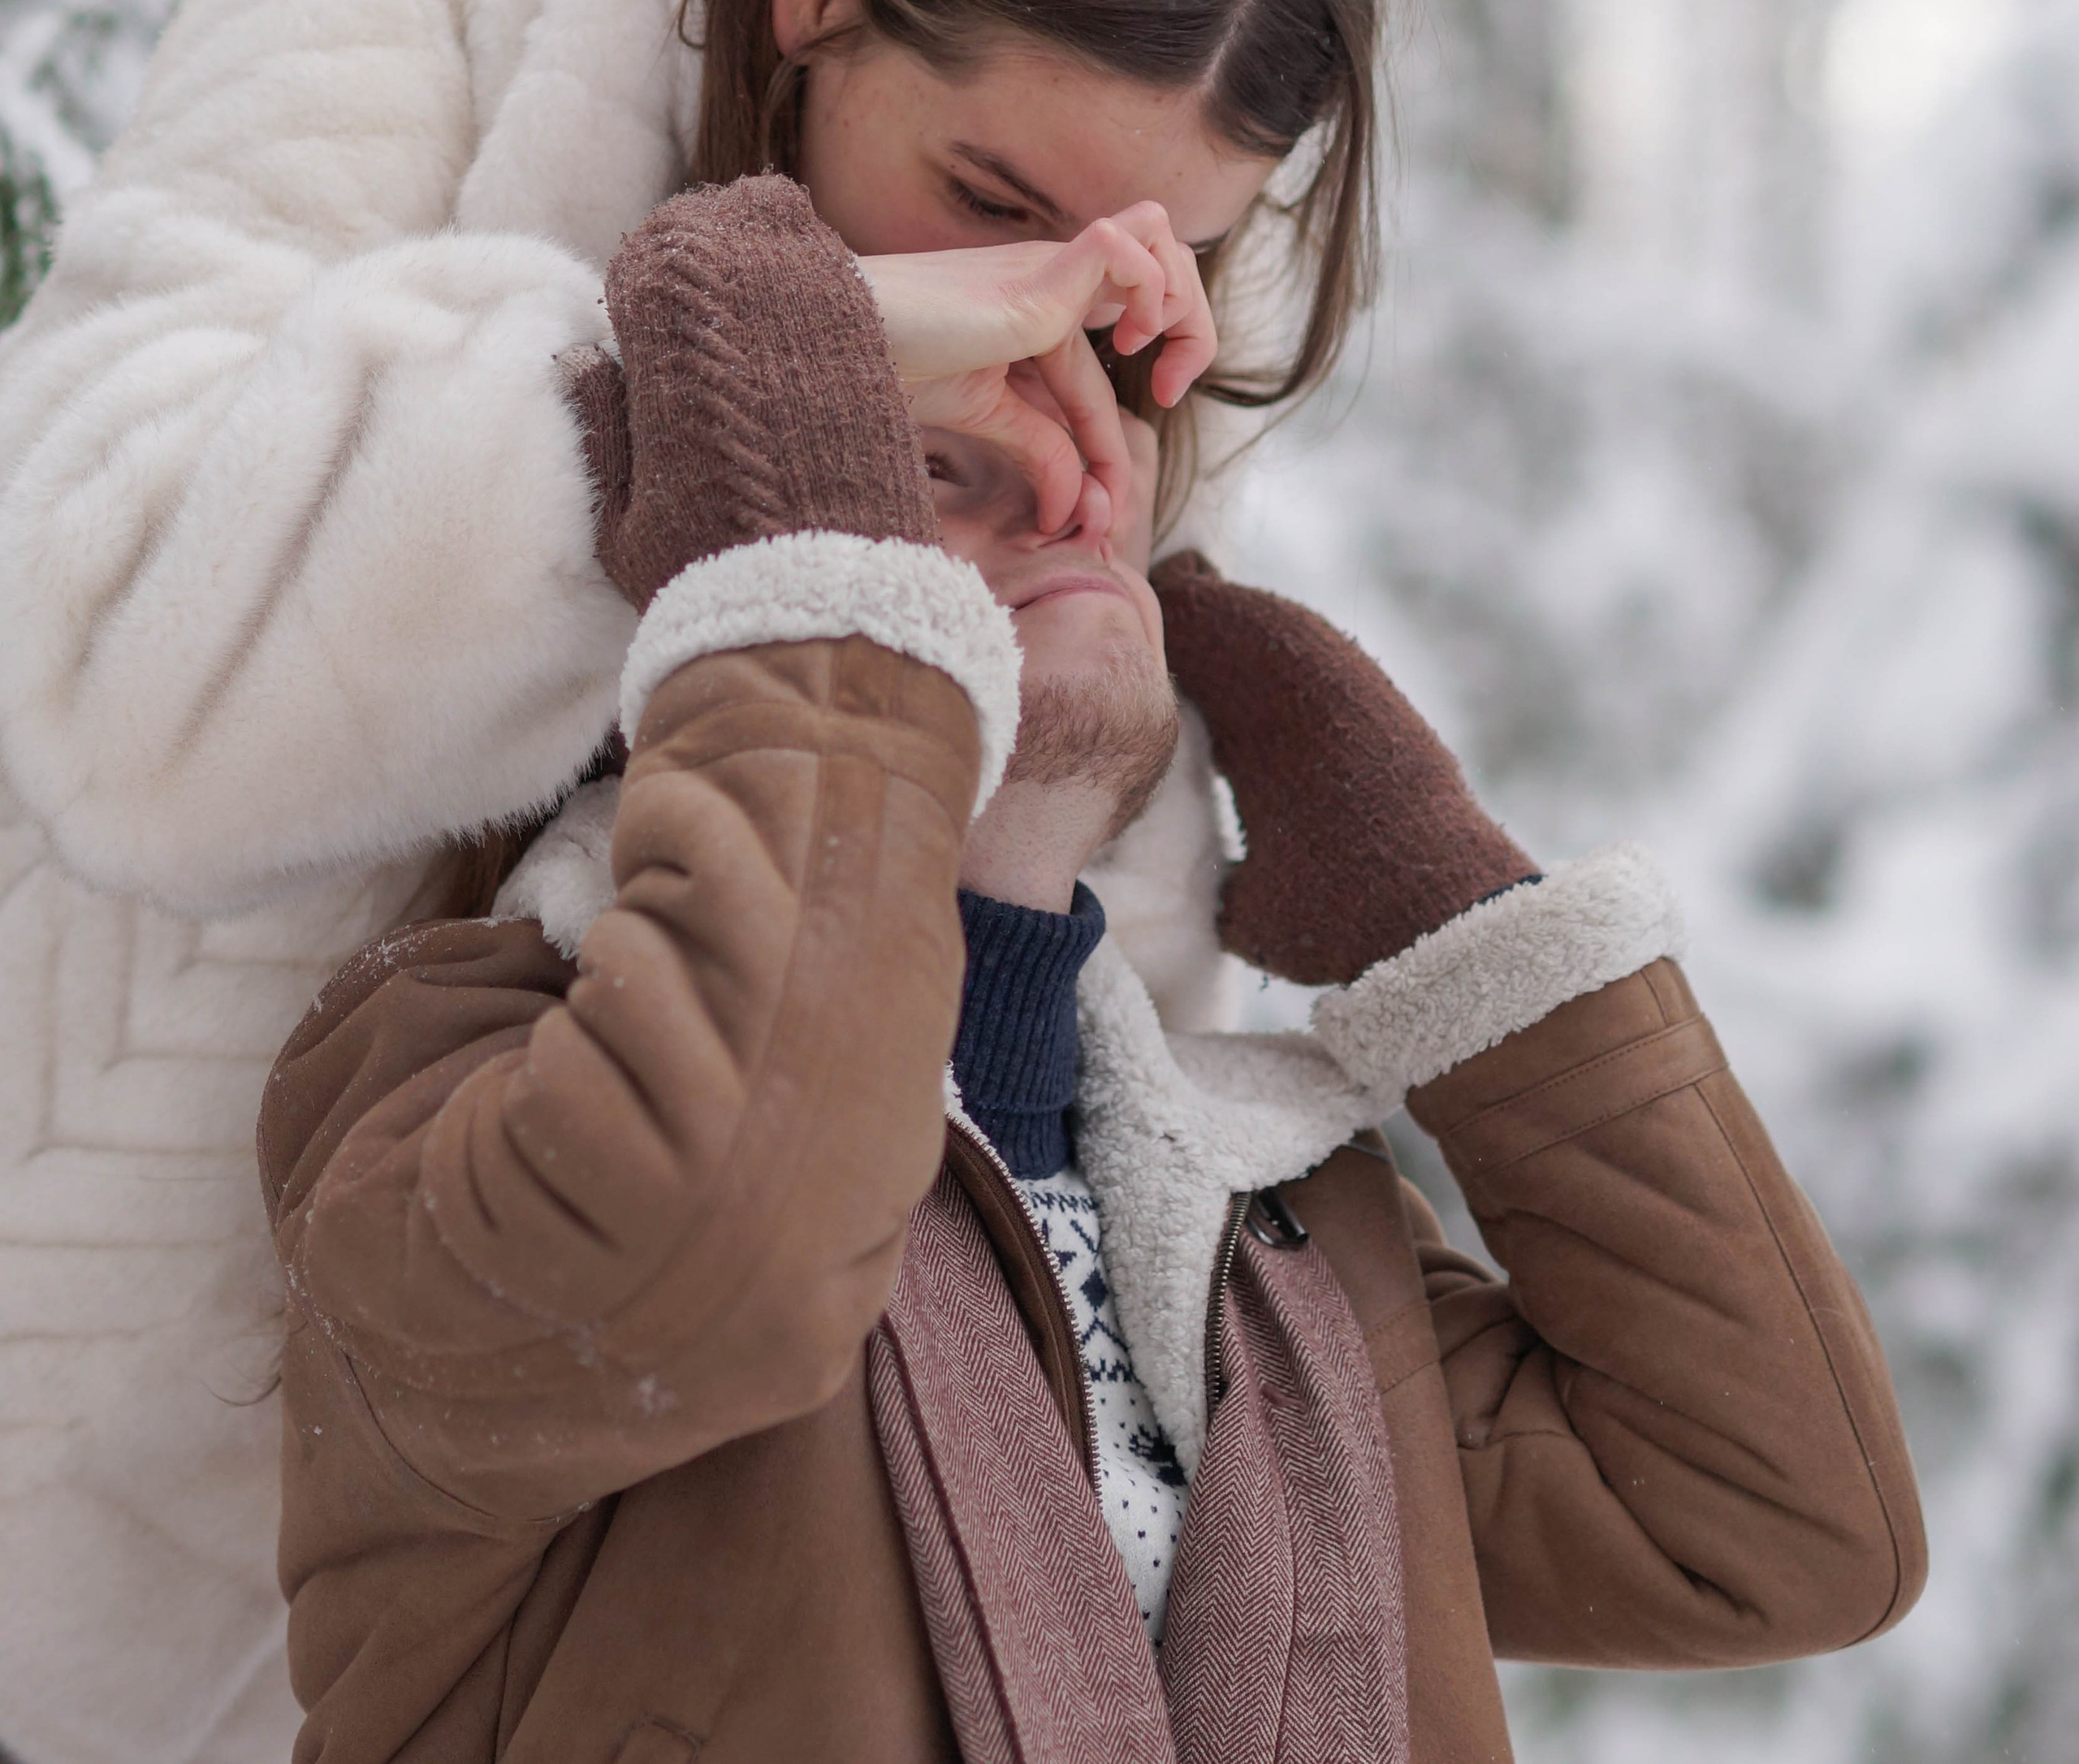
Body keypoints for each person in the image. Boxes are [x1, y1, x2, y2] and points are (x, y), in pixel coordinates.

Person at [0, 0, 1381, 1763]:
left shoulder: (1129, 316)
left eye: (1152, 257)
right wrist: (722, 402)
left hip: (552, 1602)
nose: (1052, 308)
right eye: (989, 199)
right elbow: (112, 680)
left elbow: (1067, 1053)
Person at [265, 176, 1925, 1764]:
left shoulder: (1283, 1233)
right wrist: (797, 500)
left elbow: (1784, 1528)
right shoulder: (449, 1074)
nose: (1077, 505)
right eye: (936, 471)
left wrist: (1454, 918)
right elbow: (734, 1228)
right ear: (767, 583)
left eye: (1096, 473)